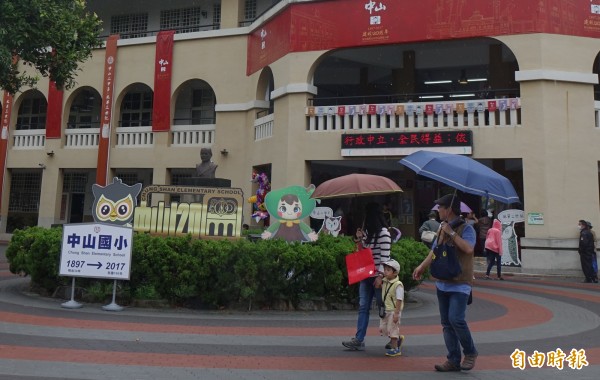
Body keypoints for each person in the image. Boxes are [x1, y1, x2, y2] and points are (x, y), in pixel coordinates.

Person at [412, 194, 478, 372]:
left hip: (460, 282)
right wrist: (421, 267)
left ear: (449, 209)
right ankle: (453, 359)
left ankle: (470, 352)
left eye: (440, 207)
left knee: (456, 319)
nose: (437, 210)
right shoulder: (441, 228)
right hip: (442, 282)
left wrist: (452, 233)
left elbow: (469, 249)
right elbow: (434, 252)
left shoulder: (466, 228)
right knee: (446, 323)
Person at [342, 202, 392, 351]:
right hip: (367, 275)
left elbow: (385, 258)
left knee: (384, 308)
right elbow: (363, 254)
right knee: (363, 307)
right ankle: (359, 339)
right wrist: (359, 240)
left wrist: (380, 276)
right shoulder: (368, 234)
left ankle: (394, 337)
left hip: (378, 277)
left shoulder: (383, 233)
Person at [379, 259, 405, 357]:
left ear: (395, 273)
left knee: (393, 330)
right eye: (385, 269)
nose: (385, 271)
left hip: (394, 311)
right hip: (386, 310)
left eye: (388, 270)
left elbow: (399, 300)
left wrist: (396, 313)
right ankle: (398, 339)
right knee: (385, 328)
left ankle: (395, 349)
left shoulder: (398, 285)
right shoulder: (385, 282)